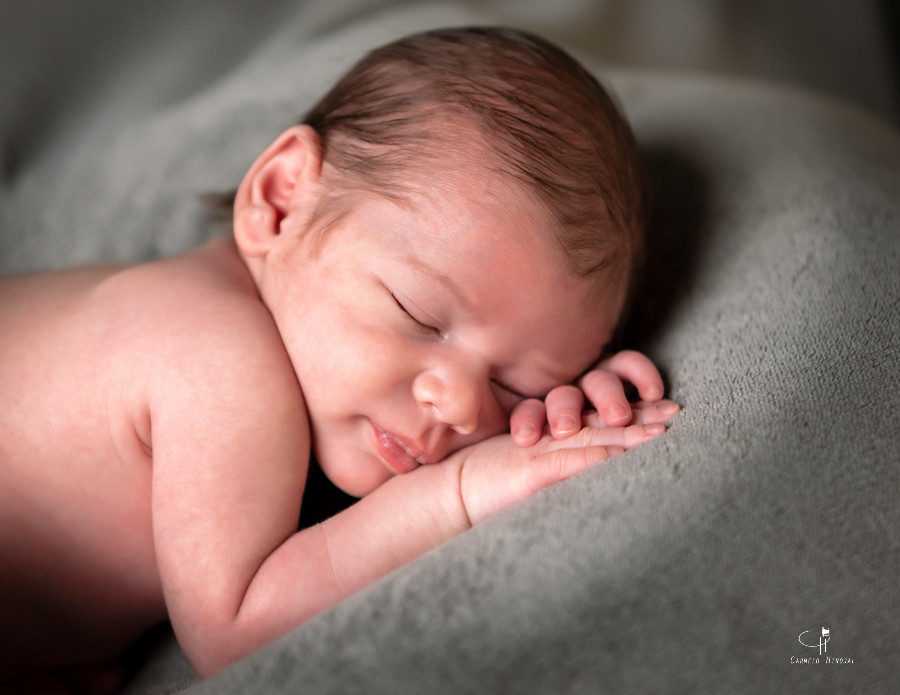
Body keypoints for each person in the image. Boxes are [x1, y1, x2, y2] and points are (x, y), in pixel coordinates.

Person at [0, 26, 679, 692]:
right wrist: (460, 490)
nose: (464, 403)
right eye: (419, 315)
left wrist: (559, 415)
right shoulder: (217, 358)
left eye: (515, 381)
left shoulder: (305, 366)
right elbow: (236, 630)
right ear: (281, 200)